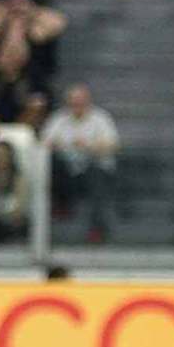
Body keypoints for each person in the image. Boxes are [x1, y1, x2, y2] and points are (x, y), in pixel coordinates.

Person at [44, 83, 124, 242]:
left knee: (97, 177)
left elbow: (113, 145)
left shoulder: (101, 118)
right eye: (73, 104)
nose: (77, 107)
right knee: (51, 164)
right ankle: (60, 205)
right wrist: (60, 146)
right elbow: (45, 143)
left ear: (88, 102)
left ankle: (97, 229)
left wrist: (89, 146)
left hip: (93, 169)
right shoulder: (59, 119)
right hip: (68, 172)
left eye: (80, 103)